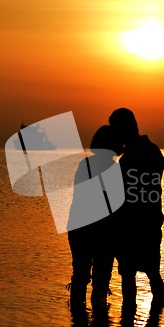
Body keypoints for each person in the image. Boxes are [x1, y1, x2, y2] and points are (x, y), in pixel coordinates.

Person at [109, 108, 164, 313]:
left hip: (131, 225)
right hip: (152, 221)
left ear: (122, 129)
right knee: (154, 274)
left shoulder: (129, 157)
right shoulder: (155, 150)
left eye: (115, 129)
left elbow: (123, 195)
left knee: (129, 275)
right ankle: (156, 321)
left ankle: (128, 320)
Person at [67, 125, 123, 309]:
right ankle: (100, 325)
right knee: (100, 281)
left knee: (80, 276)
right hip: (102, 231)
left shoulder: (84, 164)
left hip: (78, 228)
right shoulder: (115, 168)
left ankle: (77, 325)